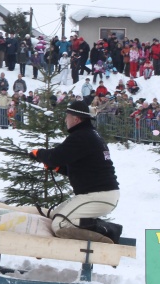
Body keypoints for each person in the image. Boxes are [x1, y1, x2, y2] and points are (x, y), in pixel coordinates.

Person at [30, 100, 122, 243]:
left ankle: (107, 230)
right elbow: (82, 168)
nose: (65, 119)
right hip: (99, 194)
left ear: (76, 119)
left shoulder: (82, 136)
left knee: (60, 224)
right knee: (56, 215)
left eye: (67, 116)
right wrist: (58, 167)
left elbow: (55, 156)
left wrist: (39, 153)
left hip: (99, 196)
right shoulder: (88, 134)